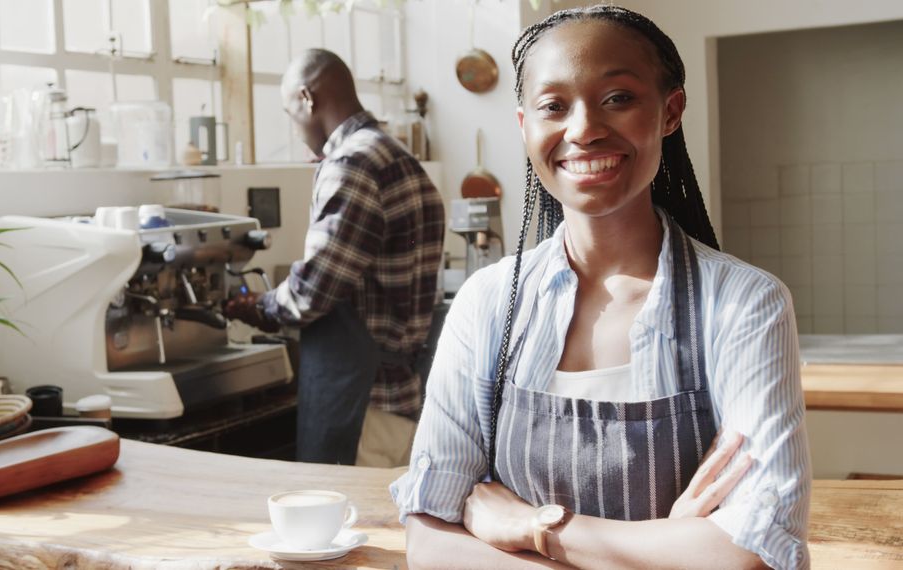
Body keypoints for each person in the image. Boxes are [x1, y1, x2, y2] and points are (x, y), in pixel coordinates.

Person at [390, 5, 810, 569]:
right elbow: (429, 542)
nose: (584, 129)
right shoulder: (488, 304)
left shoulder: (743, 303)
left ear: (670, 110)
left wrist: (532, 527)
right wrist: (664, 549)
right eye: (553, 106)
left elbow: (751, 551)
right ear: (525, 127)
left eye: (618, 98)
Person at [225, 49, 446, 467]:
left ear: (308, 99)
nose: (294, 130)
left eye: (290, 114)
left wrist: (259, 307)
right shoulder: (395, 155)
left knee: (349, 528)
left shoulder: (352, 163)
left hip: (363, 407)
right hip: (401, 397)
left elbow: (313, 290)